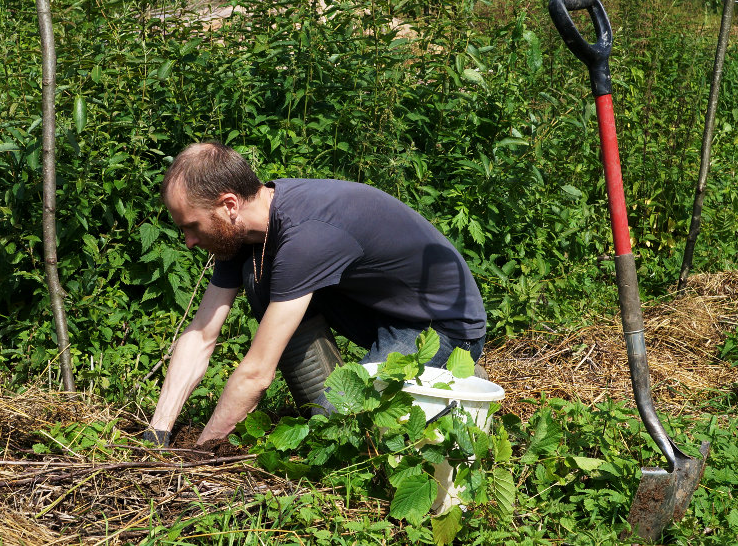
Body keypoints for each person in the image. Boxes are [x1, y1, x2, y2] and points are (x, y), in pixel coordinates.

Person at [147, 142, 487, 445]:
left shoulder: (305, 235)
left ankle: (454, 384)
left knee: (353, 431)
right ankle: (331, 409)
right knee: (259, 278)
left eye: (191, 226)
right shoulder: (241, 234)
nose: (189, 241)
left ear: (229, 205)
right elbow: (201, 334)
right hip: (386, 311)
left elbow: (257, 372)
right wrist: (158, 432)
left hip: (442, 327)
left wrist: (204, 450)